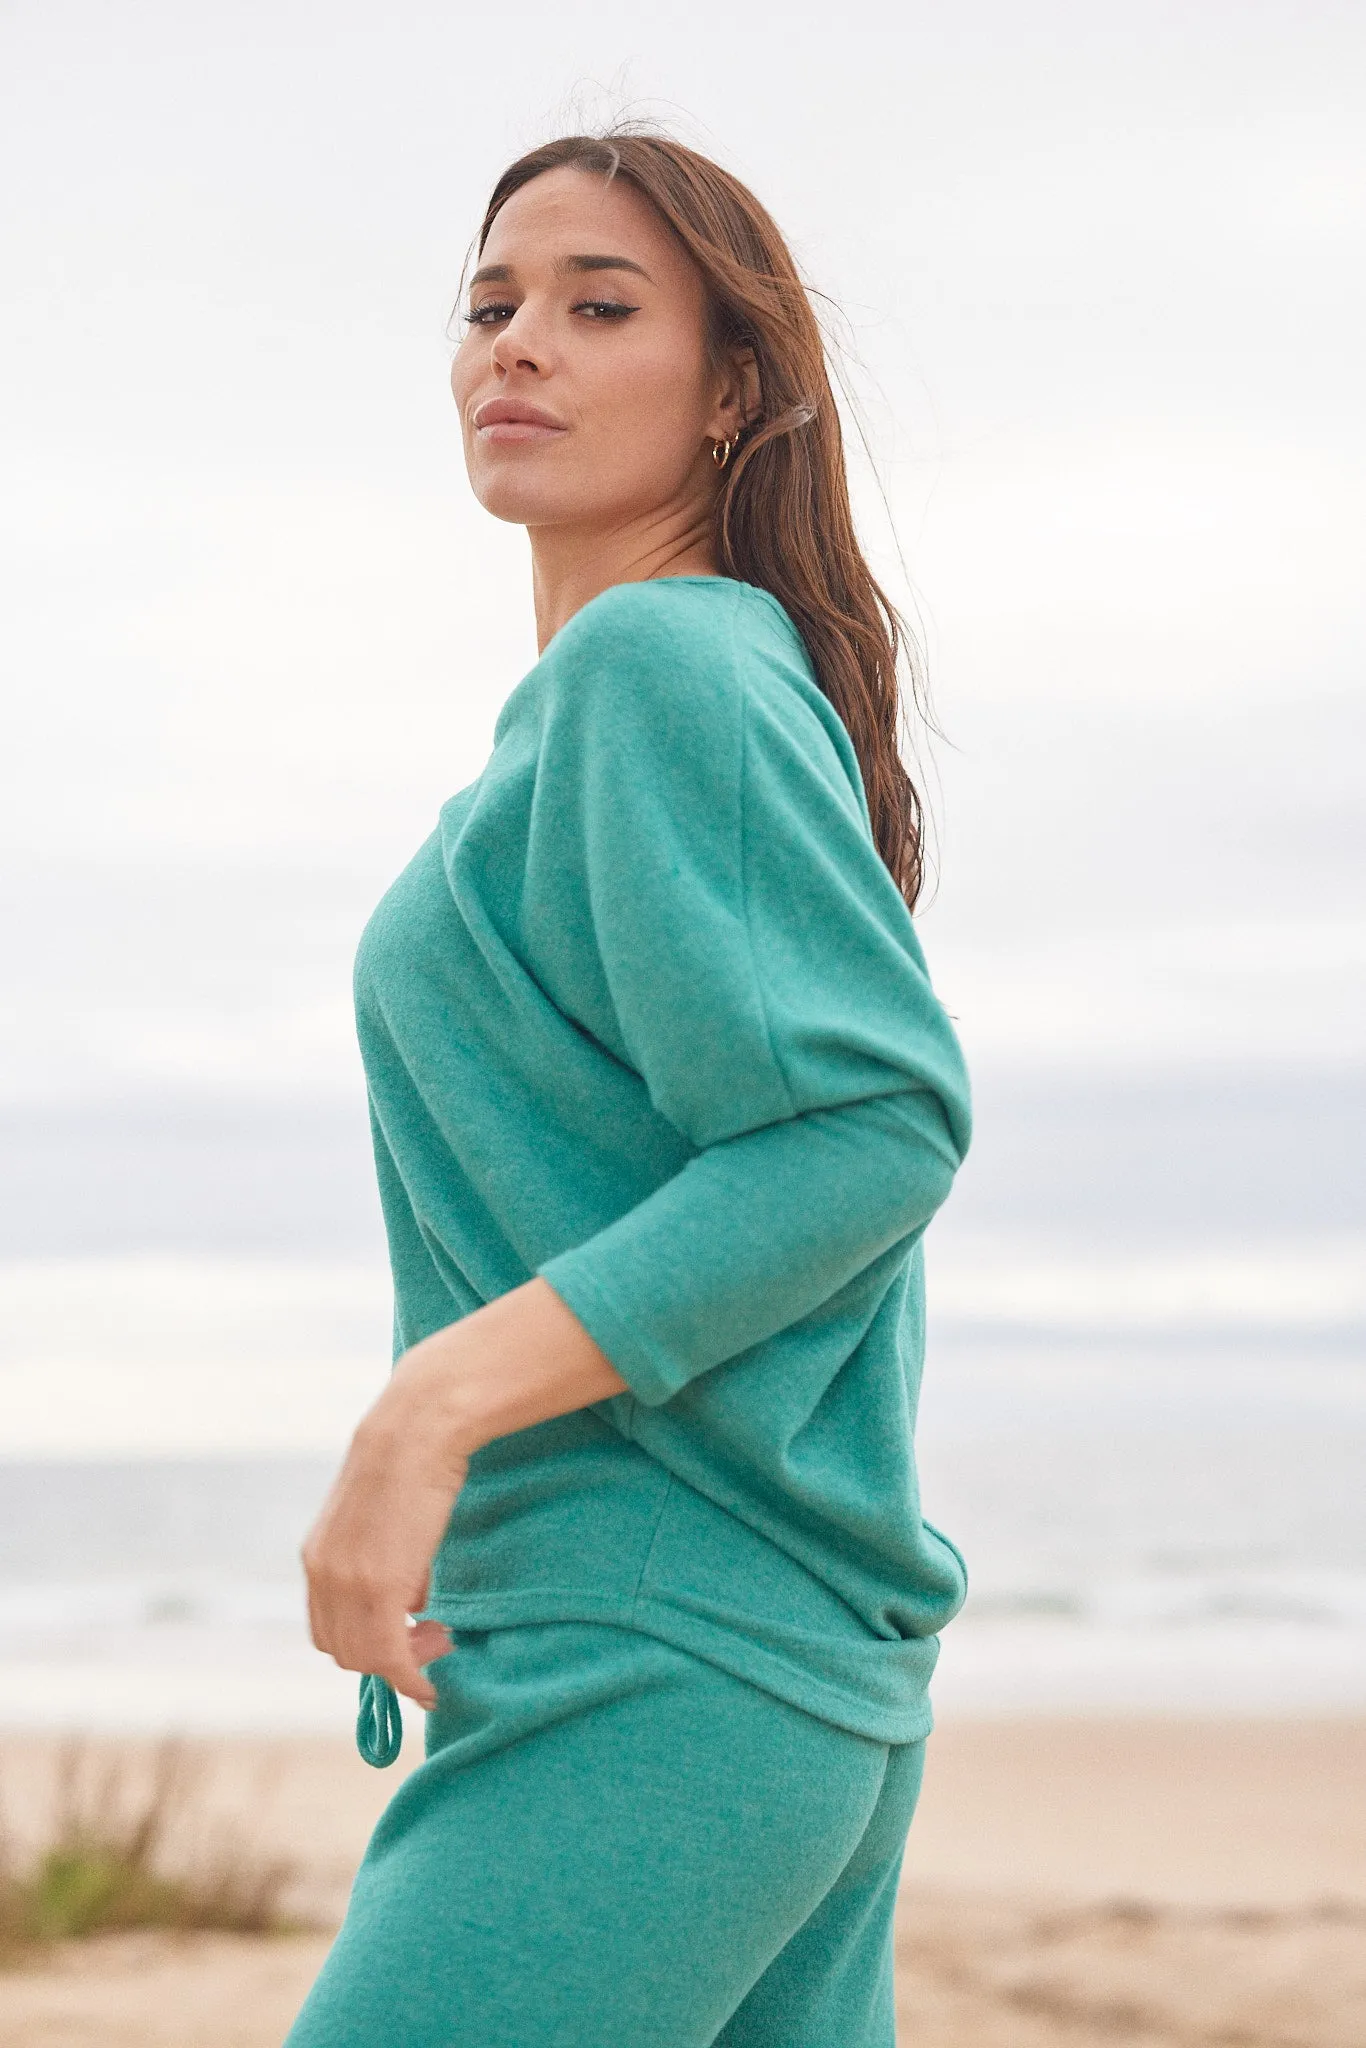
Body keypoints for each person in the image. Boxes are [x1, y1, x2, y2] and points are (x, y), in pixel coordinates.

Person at [287, 127, 971, 2048]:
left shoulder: (661, 667)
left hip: (660, 1666)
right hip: (738, 1661)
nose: (522, 346)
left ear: (732, 390)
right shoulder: (659, 696)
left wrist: (427, 1414)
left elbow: (867, 1127)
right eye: (492, 306)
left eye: (600, 308)